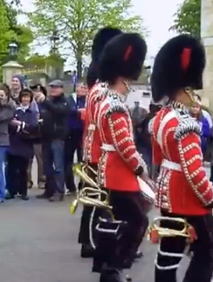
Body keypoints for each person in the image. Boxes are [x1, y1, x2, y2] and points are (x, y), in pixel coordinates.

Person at [149, 35, 213, 282]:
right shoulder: (185, 124)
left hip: (168, 190)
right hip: (186, 196)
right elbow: (194, 172)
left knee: (170, 249)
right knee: (208, 247)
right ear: (187, 89)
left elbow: (159, 158)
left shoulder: (161, 118)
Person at [92, 32, 150, 282]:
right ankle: (113, 267)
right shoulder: (115, 105)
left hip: (111, 168)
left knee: (113, 219)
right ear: (124, 78)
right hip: (119, 171)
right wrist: (141, 168)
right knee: (137, 221)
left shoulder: (105, 100)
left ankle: (106, 266)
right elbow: (124, 145)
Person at [79, 26, 123, 259]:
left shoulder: (97, 88)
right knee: (99, 199)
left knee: (96, 198)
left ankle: (90, 241)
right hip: (101, 151)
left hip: (94, 149)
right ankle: (93, 242)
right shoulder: (104, 91)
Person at [36, 79, 70, 202]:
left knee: (58, 166)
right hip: (46, 136)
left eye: (56, 87)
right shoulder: (48, 102)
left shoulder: (65, 102)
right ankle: (49, 189)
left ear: (61, 89)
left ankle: (59, 191)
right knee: (47, 166)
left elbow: (58, 111)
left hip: (58, 137)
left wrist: (45, 101)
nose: (53, 89)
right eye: (52, 87)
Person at [6, 89, 39, 200]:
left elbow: (34, 127)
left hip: (26, 143)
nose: (25, 99)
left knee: (23, 169)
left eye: (27, 97)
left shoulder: (32, 113)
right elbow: (9, 125)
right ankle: (11, 191)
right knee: (11, 168)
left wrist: (22, 124)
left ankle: (23, 191)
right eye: (23, 97)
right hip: (14, 142)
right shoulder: (15, 111)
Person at [64, 82, 87, 194]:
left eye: (85, 87)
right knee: (67, 161)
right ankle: (70, 186)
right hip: (70, 133)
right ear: (76, 88)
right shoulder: (70, 99)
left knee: (83, 161)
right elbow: (68, 110)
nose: (83, 89)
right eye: (81, 87)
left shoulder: (89, 100)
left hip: (84, 134)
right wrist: (79, 111)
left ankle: (83, 185)